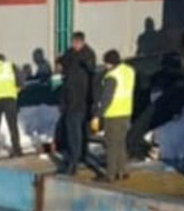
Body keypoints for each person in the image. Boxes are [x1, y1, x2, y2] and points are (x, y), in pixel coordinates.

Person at [93, 50, 135, 181]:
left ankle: (110, 174)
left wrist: (98, 115)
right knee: (121, 143)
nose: (105, 66)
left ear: (110, 63)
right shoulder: (129, 71)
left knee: (111, 144)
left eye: (106, 63)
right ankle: (123, 171)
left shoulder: (112, 76)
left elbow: (107, 98)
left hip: (113, 113)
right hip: (126, 111)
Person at [57, 32, 95, 174]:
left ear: (81, 42)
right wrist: (59, 63)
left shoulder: (87, 55)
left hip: (81, 100)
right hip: (69, 99)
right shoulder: (70, 53)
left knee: (77, 132)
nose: (74, 45)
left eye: (76, 43)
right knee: (71, 131)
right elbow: (63, 62)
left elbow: (91, 72)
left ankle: (75, 160)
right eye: (73, 43)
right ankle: (75, 156)